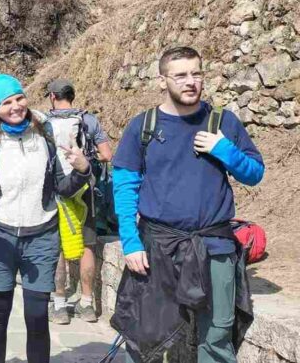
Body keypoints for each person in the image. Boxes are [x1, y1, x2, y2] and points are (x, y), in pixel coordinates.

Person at [111, 47, 263, 363]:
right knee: (148, 337)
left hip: (215, 246)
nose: (190, 81)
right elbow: (125, 187)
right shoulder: (144, 126)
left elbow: (254, 173)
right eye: (180, 75)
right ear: (163, 80)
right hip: (159, 248)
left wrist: (224, 149)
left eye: (196, 73)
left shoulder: (223, 122)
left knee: (216, 336)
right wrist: (130, 241)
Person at [0, 68, 91, 363]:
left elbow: (63, 187)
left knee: (36, 314)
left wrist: (83, 169)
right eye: (6, 103)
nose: (15, 106)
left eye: (19, 98)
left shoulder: (46, 134)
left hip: (42, 235)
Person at [45, 78, 113, 324]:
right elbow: (106, 154)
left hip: (55, 191)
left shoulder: (44, 123)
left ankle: (61, 305)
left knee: (58, 247)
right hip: (85, 189)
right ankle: (86, 304)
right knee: (87, 246)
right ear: (72, 96)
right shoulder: (89, 120)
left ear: (52, 96)